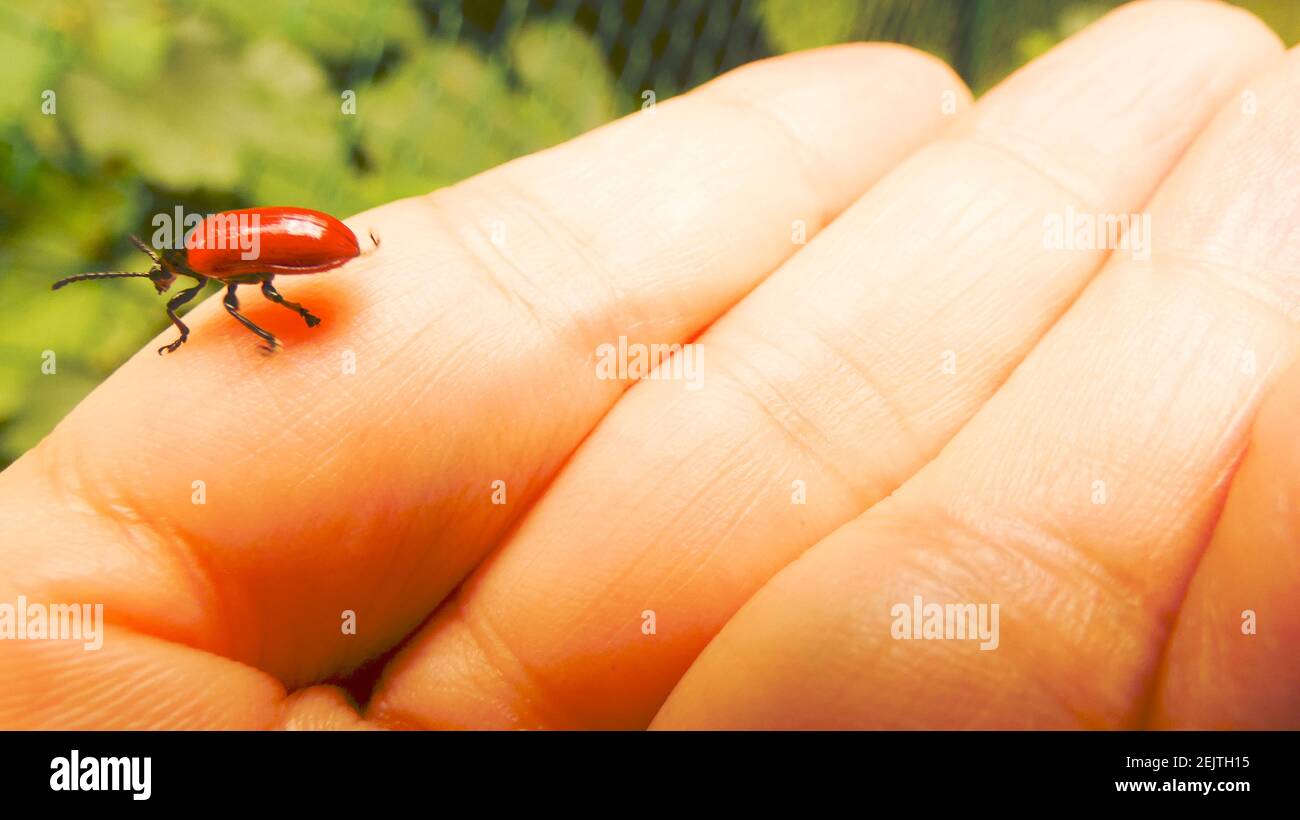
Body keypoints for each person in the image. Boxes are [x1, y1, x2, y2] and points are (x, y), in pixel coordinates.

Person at [0, 0, 1296, 729]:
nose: (181, 302)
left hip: (317, 264)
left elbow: (268, 277)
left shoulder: (236, 265)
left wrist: (257, 318)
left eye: (181, 293)